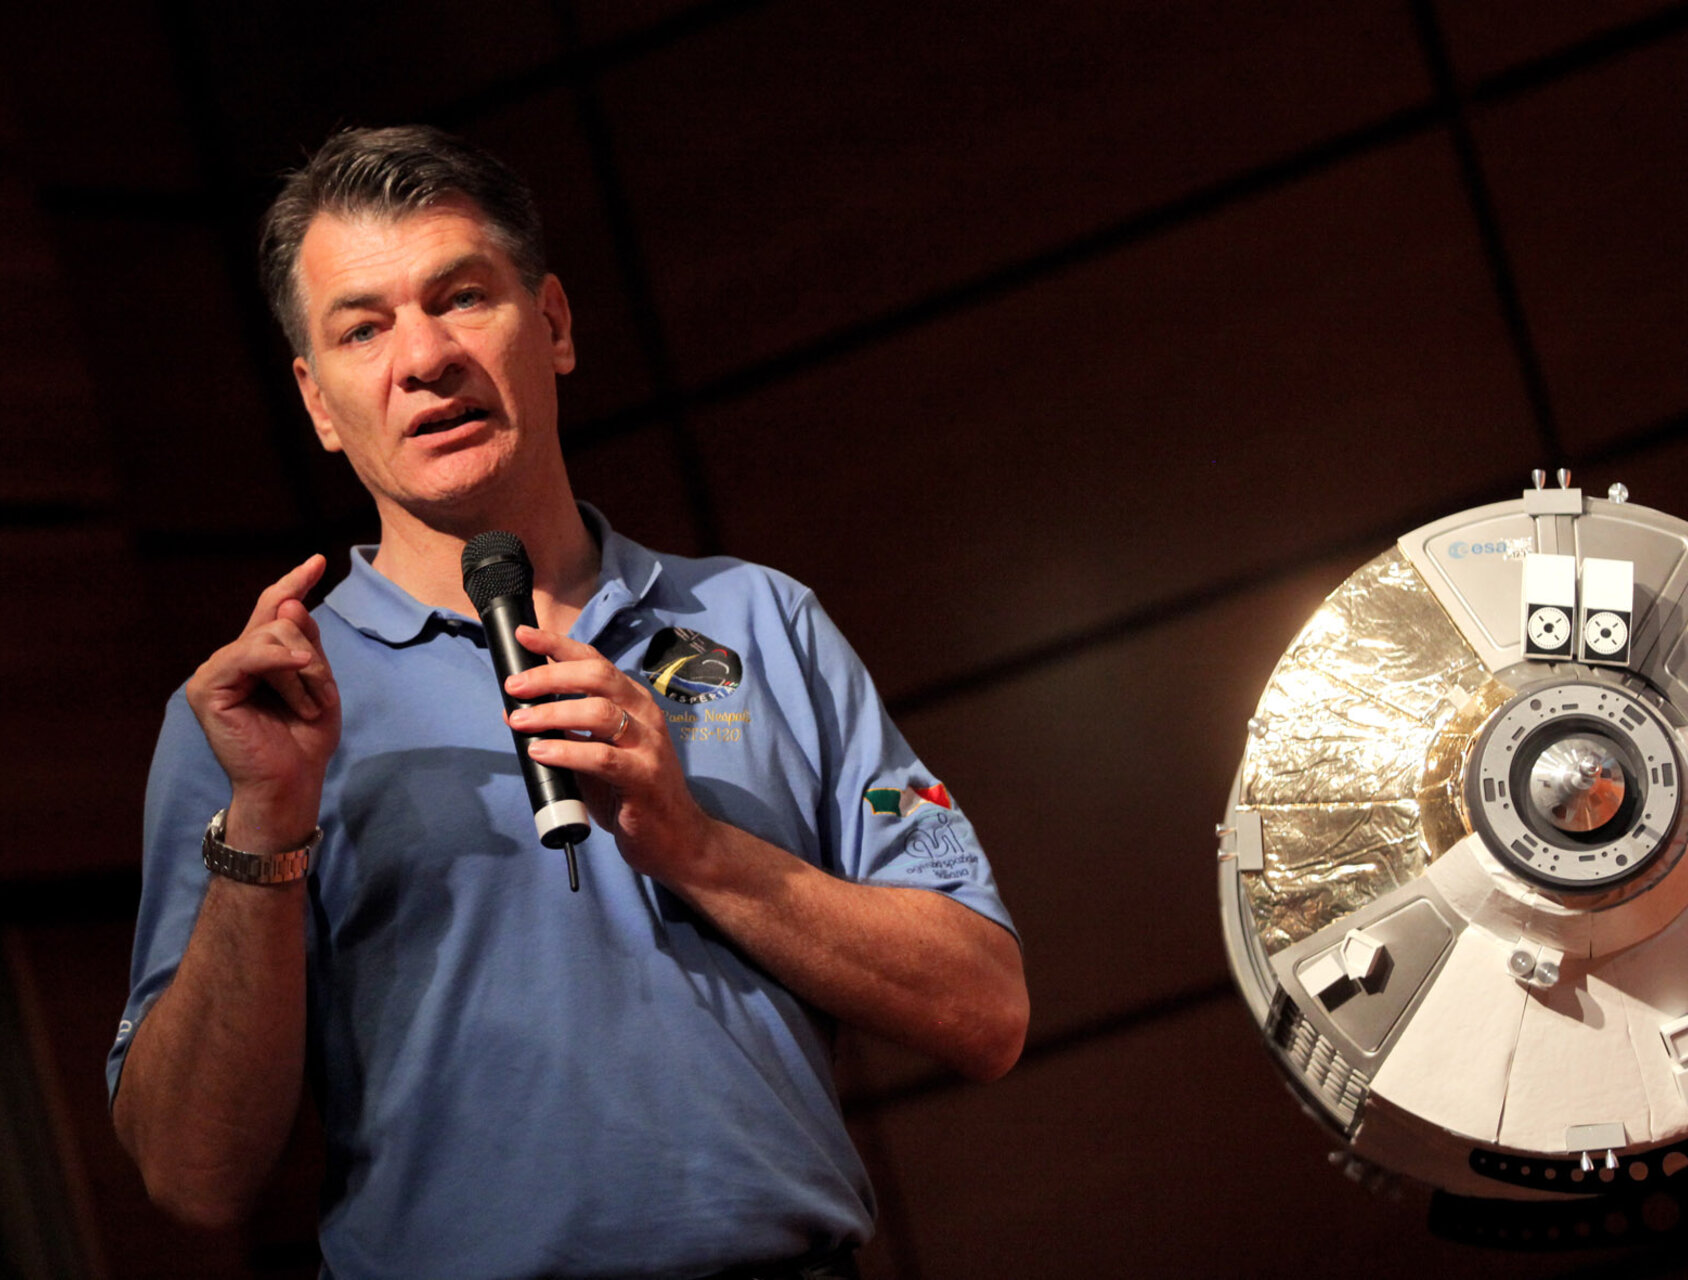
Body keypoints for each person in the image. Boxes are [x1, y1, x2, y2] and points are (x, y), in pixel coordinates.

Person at [107, 125, 1028, 1280]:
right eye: (363, 327)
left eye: (461, 297)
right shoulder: (258, 712)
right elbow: (190, 1176)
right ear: (319, 401)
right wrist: (267, 826)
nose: (425, 357)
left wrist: (700, 849)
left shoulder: (762, 621)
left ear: (552, 324)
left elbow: (986, 1008)